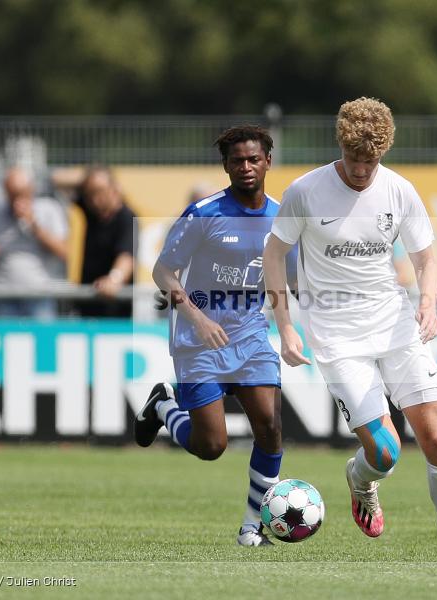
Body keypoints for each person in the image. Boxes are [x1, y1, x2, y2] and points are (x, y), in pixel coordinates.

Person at [263, 97, 437, 563]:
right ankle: (361, 480)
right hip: (336, 335)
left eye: (371, 161)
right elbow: (273, 255)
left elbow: (427, 259)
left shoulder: (399, 190)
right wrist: (286, 325)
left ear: (383, 152)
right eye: (354, 159)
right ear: (341, 146)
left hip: (395, 324)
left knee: (436, 439)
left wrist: (428, 303)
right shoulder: (306, 191)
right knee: (385, 453)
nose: (361, 170)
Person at [135, 126, 290, 547]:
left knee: (270, 427)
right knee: (211, 445)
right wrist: (198, 318)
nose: (246, 167)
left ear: (268, 161)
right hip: (198, 339)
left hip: (251, 335)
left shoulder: (281, 218)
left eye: (253, 159)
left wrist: (289, 329)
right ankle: (163, 406)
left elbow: (282, 279)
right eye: (237, 160)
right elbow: (162, 271)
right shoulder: (203, 214)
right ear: (226, 165)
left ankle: (252, 527)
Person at [0, 167, 69, 319]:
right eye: (12, 194)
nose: (16, 200)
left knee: (42, 334)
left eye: (21, 193)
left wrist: (34, 226)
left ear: (31, 190)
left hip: (39, 296)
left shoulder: (49, 209)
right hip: (3, 297)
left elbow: (64, 251)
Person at [74, 167, 136, 318]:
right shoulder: (91, 213)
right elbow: (57, 180)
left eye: (100, 191)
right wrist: (88, 178)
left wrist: (114, 279)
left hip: (115, 308)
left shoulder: (126, 218)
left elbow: (127, 257)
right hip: (87, 304)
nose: (95, 199)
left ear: (114, 189)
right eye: (90, 193)